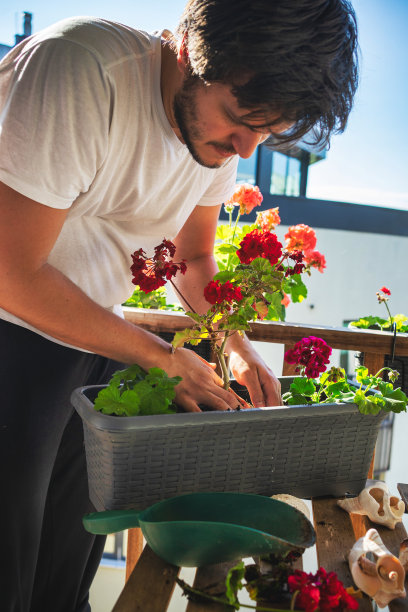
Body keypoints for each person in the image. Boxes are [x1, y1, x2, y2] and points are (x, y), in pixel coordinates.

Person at [0, 0, 358, 609]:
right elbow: (11, 271)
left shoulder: (213, 142)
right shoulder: (81, 71)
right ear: (193, 50)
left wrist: (235, 347)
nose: (244, 147)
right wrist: (163, 357)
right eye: (239, 119)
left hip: (93, 342)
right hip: (12, 337)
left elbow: (194, 259)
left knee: (65, 579)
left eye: (266, 133)